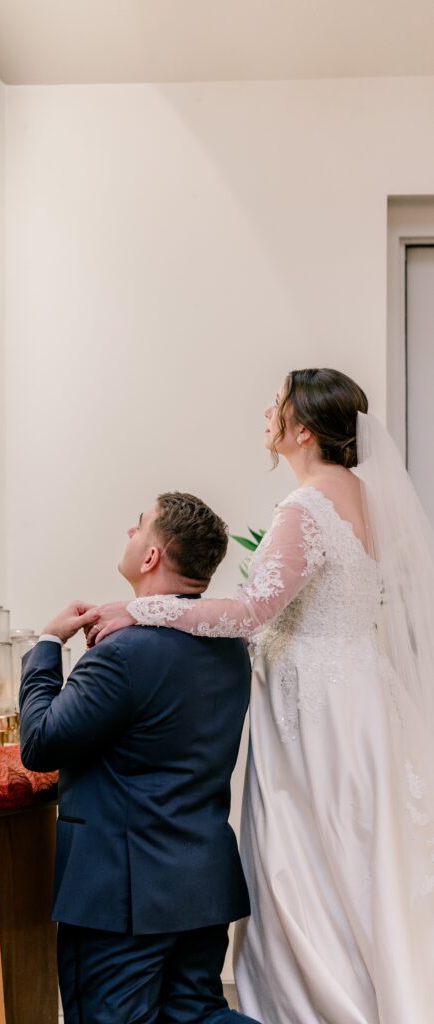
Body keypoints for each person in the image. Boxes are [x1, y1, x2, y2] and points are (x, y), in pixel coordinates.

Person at [89, 368, 434, 1023]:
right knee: (356, 851)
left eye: (275, 404)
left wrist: (147, 610)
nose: (265, 412)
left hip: (314, 708)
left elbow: (249, 613)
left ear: (300, 427)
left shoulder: (306, 506)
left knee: (305, 855)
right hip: (359, 692)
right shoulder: (367, 497)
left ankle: (324, 1006)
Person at [19, 492, 260, 1024]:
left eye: (139, 527)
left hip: (120, 899)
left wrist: (45, 645)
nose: (130, 532)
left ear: (152, 557)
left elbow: (39, 745)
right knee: (197, 1015)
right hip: (201, 886)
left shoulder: (123, 653)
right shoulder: (229, 648)